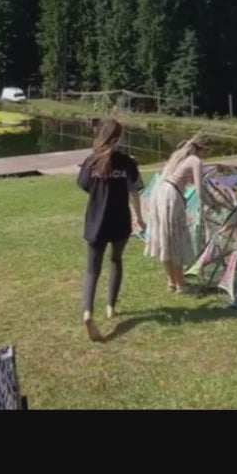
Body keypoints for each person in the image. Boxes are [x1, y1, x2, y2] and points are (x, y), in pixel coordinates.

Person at [76, 119, 143, 341]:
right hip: (120, 221)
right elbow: (135, 192)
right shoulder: (126, 162)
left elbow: (84, 185)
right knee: (116, 260)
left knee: (92, 269)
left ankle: (87, 312)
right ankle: (110, 307)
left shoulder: (91, 161)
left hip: (95, 221)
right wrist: (139, 218)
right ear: (119, 138)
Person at [144, 134, 211, 293]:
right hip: (172, 196)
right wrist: (213, 204)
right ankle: (180, 284)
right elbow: (199, 190)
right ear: (204, 148)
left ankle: (171, 282)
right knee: (175, 239)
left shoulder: (182, 158)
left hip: (162, 194)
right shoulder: (195, 160)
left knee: (166, 238)